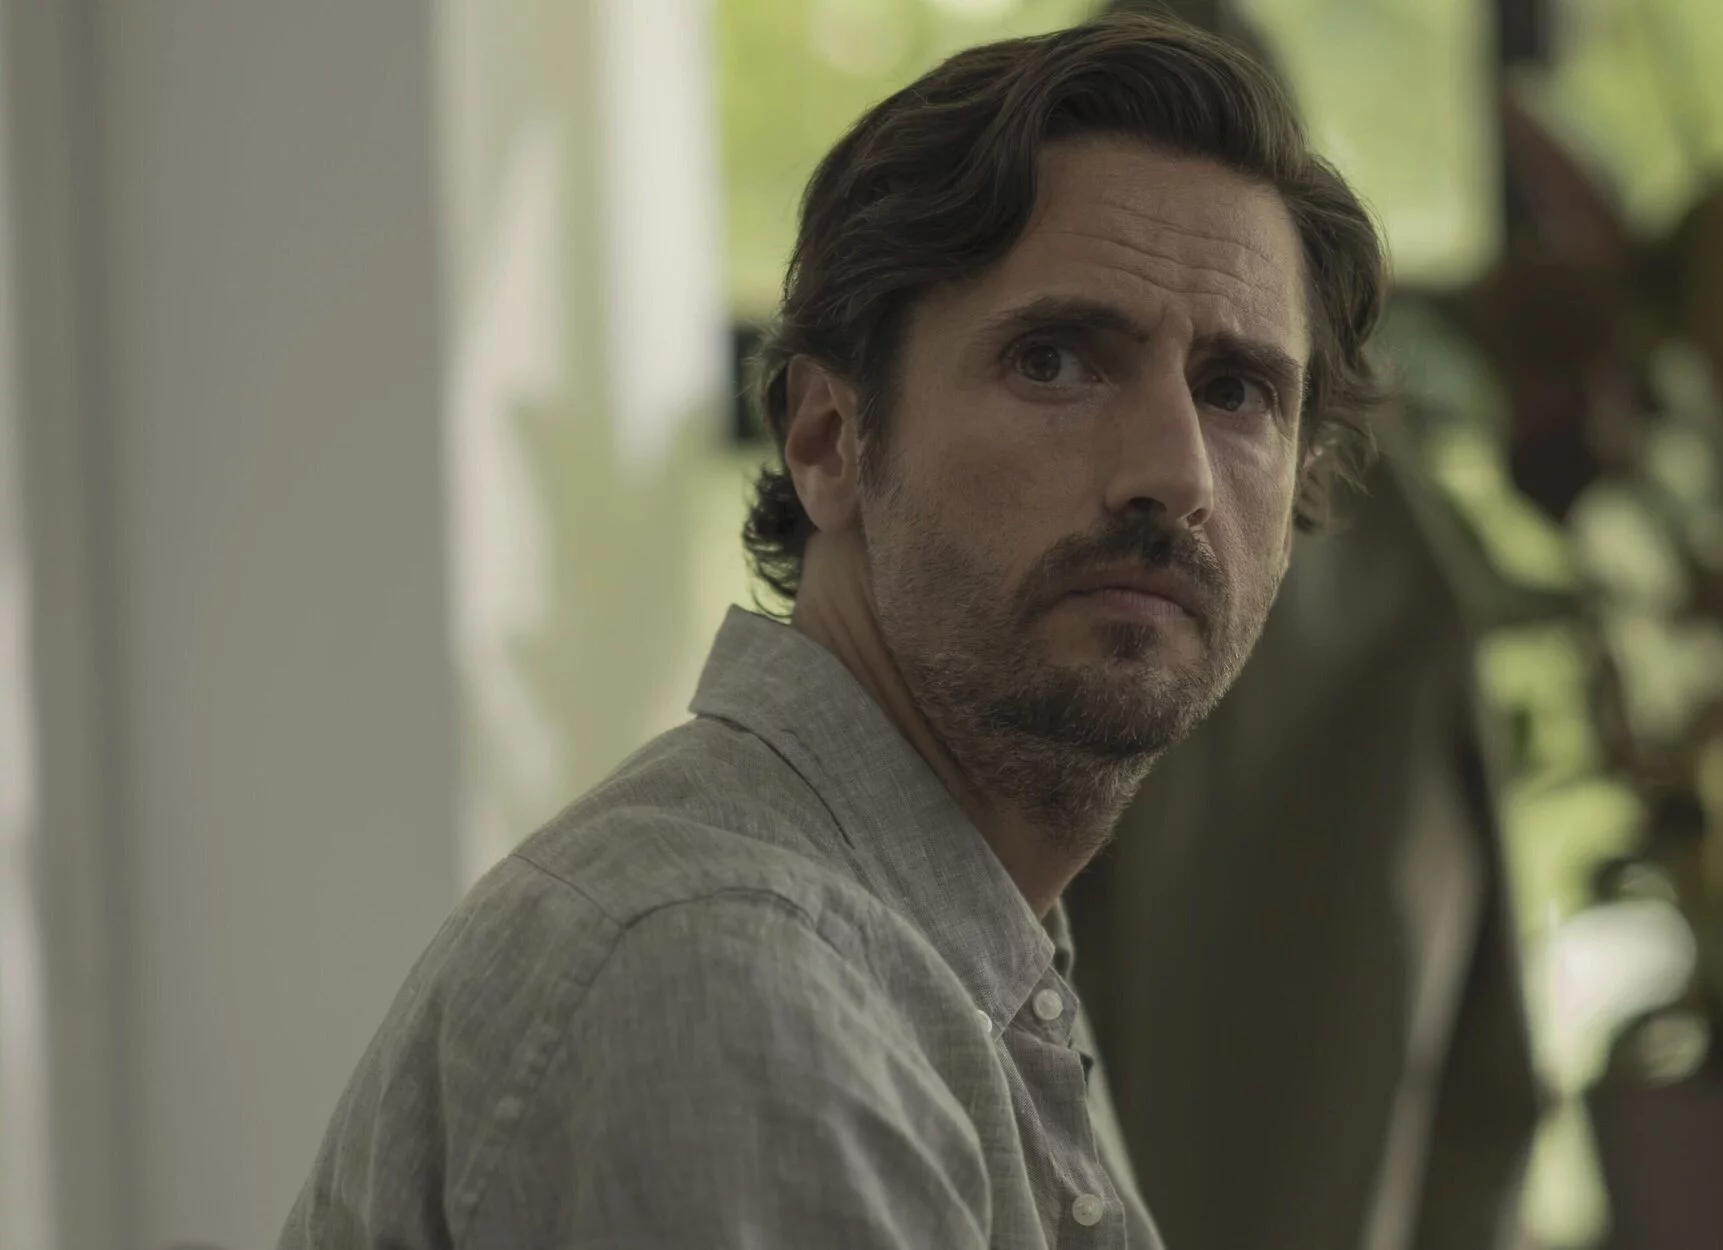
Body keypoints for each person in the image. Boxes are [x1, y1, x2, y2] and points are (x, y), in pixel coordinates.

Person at [280, 11, 1386, 1248]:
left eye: (1235, 391)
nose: (1171, 473)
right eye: (1055, 361)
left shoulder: (968, 954)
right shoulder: (726, 972)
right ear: (827, 440)